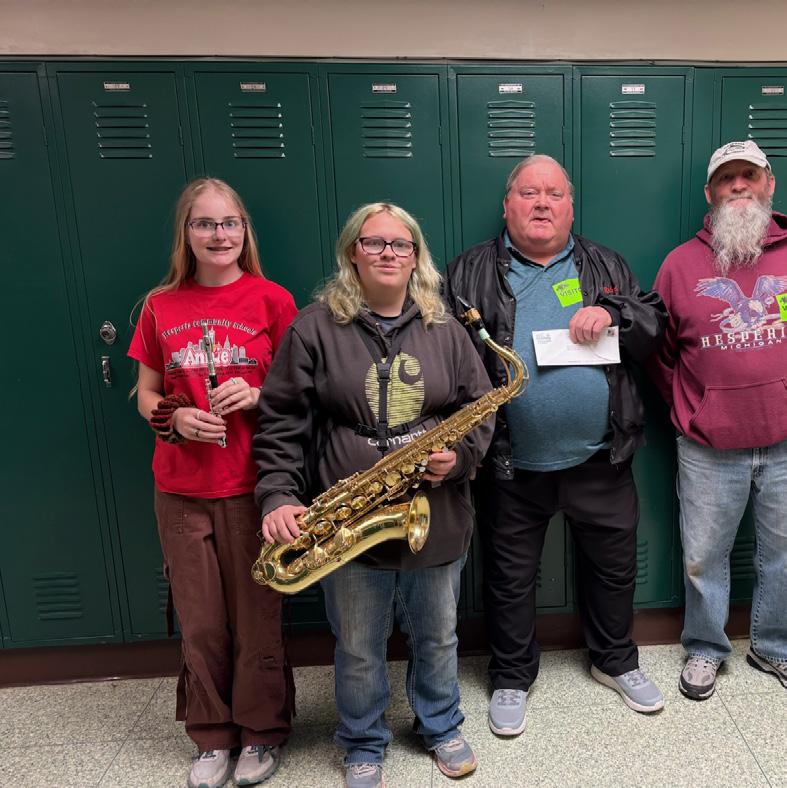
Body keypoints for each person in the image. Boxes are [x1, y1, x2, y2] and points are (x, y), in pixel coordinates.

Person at [253, 202, 493, 788]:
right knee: (358, 645)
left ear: (416, 257)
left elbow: (478, 409)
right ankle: (362, 741)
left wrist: (458, 458)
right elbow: (281, 421)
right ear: (351, 253)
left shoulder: (447, 329)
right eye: (373, 242)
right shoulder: (314, 328)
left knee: (438, 634)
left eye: (400, 243)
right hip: (347, 519)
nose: (388, 253)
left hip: (435, 512)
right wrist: (278, 494)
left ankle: (440, 725)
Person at [444, 154, 668, 736]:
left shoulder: (603, 264)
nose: (542, 203)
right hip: (509, 463)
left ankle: (615, 660)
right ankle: (512, 675)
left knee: (614, 568)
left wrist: (612, 309)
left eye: (554, 194)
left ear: (570, 207)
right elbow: (443, 358)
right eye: (528, 193)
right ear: (507, 206)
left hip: (601, 456)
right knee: (509, 577)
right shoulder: (467, 271)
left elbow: (651, 325)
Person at [128, 177, 297, 788]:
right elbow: (145, 393)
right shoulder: (160, 305)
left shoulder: (273, 300)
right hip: (180, 491)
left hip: (253, 486)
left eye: (229, 223)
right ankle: (211, 735)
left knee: (257, 617)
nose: (218, 235)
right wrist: (173, 419)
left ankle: (262, 729)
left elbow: (301, 391)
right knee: (199, 621)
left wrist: (257, 394)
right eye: (205, 223)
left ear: (244, 231)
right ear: (187, 233)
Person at [649, 140, 787, 699]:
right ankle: (706, 648)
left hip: (785, 441)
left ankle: (773, 646)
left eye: (748, 175)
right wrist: (694, 409)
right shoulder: (680, 264)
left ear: (768, 183)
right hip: (707, 445)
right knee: (704, 557)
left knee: (784, 553)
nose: (738, 186)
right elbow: (660, 354)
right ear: (710, 192)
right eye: (727, 178)